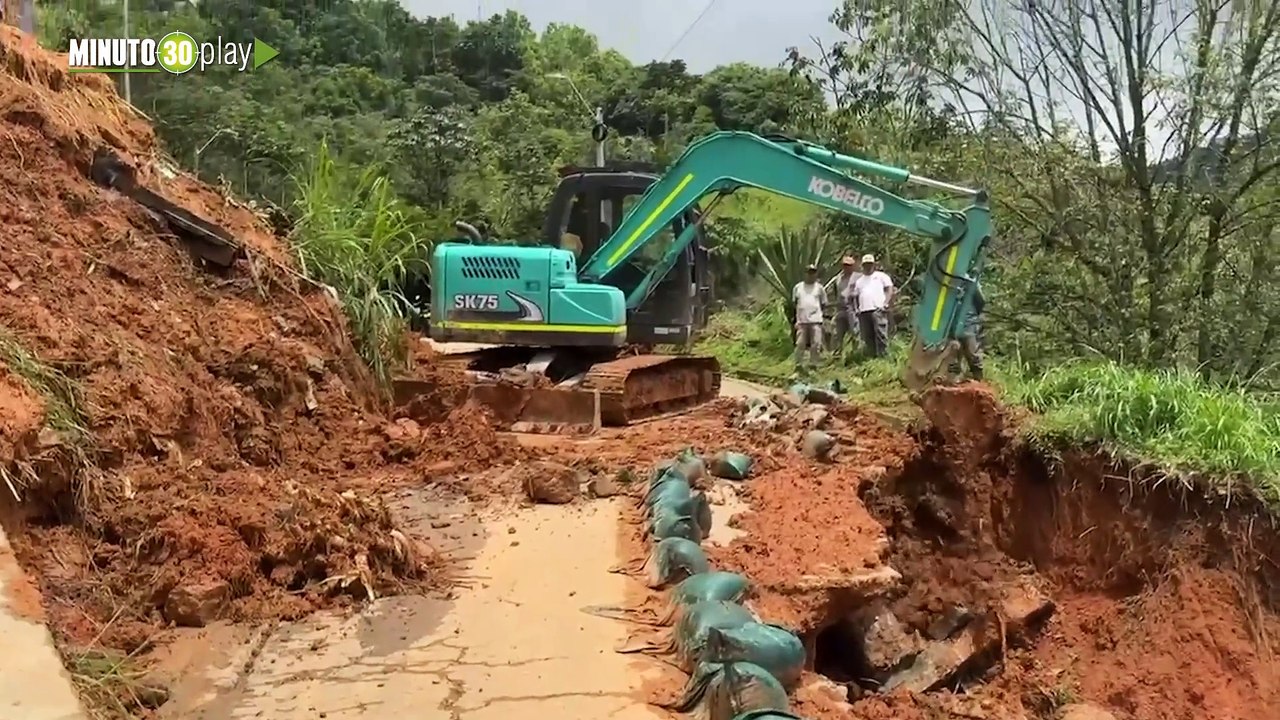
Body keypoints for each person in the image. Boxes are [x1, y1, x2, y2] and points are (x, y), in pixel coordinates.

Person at [853, 253, 894, 357]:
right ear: (863, 265)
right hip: (864, 311)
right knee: (867, 335)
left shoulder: (881, 276)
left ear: (874, 264)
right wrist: (857, 308)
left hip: (877, 309)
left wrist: (886, 303)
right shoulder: (859, 281)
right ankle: (871, 356)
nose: (868, 266)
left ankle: (883, 356)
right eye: (866, 264)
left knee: (881, 333)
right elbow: (856, 296)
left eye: (870, 264)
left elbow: (889, 289)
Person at [791, 264, 828, 372]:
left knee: (816, 343)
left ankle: (813, 364)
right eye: (809, 273)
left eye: (813, 273)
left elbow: (824, 303)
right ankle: (798, 365)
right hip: (802, 321)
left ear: (816, 274)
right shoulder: (798, 287)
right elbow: (795, 303)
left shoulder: (819, 288)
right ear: (805, 274)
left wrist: (817, 313)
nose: (811, 275)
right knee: (800, 344)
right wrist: (797, 319)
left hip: (816, 320)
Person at [950, 283, 986, 380]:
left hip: (968, 322)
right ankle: (954, 380)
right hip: (953, 323)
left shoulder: (971, 282)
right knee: (954, 354)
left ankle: (978, 381)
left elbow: (981, 301)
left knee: (973, 354)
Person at [831, 255, 861, 360]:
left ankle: (855, 355)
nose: (847, 267)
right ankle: (836, 355)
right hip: (840, 307)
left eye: (849, 265)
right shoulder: (838, 278)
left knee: (855, 331)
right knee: (836, 332)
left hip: (852, 307)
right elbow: (836, 292)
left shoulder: (858, 277)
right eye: (845, 265)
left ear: (853, 266)